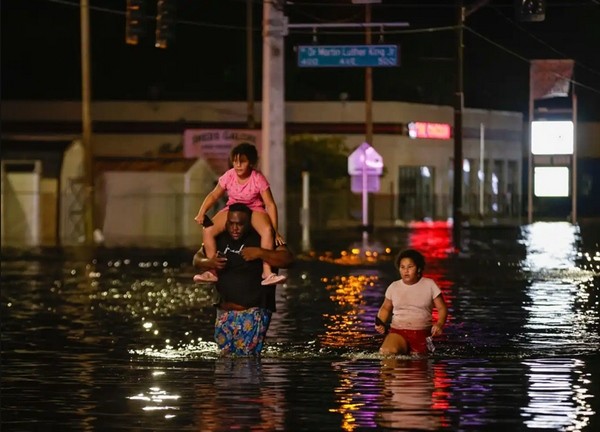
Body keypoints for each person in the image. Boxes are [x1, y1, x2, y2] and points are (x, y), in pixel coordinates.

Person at [192, 203, 294, 356]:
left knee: (246, 362)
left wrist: (260, 253)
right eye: (231, 223)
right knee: (224, 360)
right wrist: (209, 262)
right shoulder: (218, 237)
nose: (235, 228)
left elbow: (287, 259)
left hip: (253, 312)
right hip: (224, 312)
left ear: (249, 223)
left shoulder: (264, 237)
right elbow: (197, 258)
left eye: (240, 224)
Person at [194, 142, 286, 286]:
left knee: (267, 231)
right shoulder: (229, 176)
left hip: (254, 208)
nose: (238, 165)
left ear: (251, 162)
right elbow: (214, 195)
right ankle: (212, 271)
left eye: (242, 161)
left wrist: (276, 231)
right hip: (233, 208)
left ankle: (267, 272)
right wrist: (201, 212)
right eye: (235, 161)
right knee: (208, 230)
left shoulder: (258, 178)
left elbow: (270, 204)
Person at [375, 249, 448, 356]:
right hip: (397, 332)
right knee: (387, 353)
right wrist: (380, 323)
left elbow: (442, 308)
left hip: (422, 334)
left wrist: (440, 324)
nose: (406, 271)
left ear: (418, 268)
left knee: (418, 365)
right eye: (402, 267)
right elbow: (386, 307)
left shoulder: (430, 285)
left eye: (410, 267)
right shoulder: (394, 286)